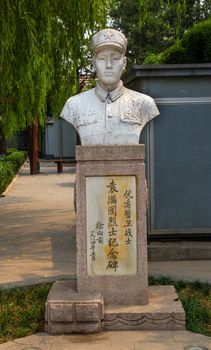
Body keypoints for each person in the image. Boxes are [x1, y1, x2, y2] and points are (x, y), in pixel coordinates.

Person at [60, 28, 159, 145]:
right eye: (102, 59)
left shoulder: (144, 103)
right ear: (93, 63)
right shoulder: (74, 105)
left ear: (124, 63)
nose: (108, 65)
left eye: (115, 58)